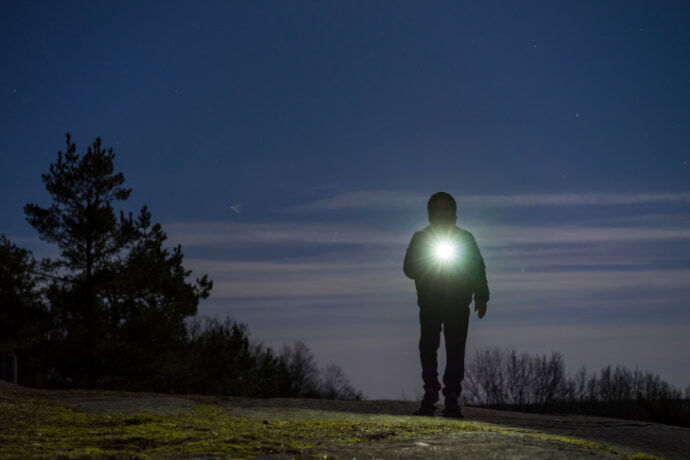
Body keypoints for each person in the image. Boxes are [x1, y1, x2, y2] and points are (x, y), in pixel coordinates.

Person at [403, 192, 489, 418]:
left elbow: (478, 269)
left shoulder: (466, 239)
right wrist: (425, 264)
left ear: (453, 212)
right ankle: (430, 394)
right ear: (431, 213)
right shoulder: (421, 238)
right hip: (430, 304)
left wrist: (482, 296)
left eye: (446, 209)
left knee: (455, 350)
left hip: (458, 303)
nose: (442, 213)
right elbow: (408, 268)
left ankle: (452, 398)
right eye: (438, 209)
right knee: (428, 348)